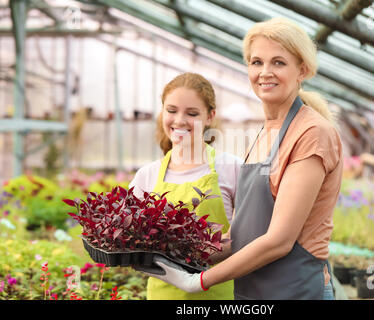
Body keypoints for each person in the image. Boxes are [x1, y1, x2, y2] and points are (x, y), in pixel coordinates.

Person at [141, 17, 343, 300]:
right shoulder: (265, 132)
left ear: (303, 70)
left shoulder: (311, 133)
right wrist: (173, 255)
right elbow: (245, 237)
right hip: (254, 292)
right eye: (256, 62)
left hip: (295, 290)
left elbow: (279, 242)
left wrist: (198, 281)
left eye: (279, 63)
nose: (265, 72)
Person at [129, 72, 242, 300]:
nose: (179, 120)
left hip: (219, 295)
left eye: (192, 113)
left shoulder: (232, 168)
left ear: (210, 116)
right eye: (171, 111)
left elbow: (248, 237)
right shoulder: (147, 175)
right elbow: (129, 239)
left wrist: (186, 258)